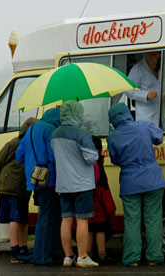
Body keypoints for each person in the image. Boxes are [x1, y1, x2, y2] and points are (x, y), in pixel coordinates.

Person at [107, 103, 165, 267]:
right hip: (152, 180)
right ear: (127, 113)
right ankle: (154, 257)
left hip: (130, 182)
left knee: (132, 221)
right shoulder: (144, 125)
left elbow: (115, 159)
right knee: (153, 220)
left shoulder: (113, 136)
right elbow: (159, 138)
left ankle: (132, 259)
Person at [51, 101, 99, 267]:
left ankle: (68, 256)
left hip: (63, 184)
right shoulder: (82, 134)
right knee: (82, 220)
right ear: (77, 113)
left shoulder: (55, 133)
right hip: (82, 184)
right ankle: (82, 256)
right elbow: (91, 157)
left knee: (66, 219)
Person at [16, 107, 63, 265]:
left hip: (34, 179)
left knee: (47, 214)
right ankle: (42, 256)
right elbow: (53, 154)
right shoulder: (51, 129)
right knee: (49, 216)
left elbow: (19, 155)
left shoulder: (30, 130)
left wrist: (32, 166)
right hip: (49, 179)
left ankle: (51, 252)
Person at [0, 117, 37, 263]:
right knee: (15, 218)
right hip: (11, 186)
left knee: (23, 218)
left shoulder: (28, 144)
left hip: (22, 188)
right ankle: (15, 250)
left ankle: (23, 248)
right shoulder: (15, 143)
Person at [87, 136, 116, 265]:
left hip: (88, 198)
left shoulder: (86, 161)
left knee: (88, 229)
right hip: (98, 201)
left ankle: (88, 254)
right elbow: (101, 183)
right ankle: (102, 255)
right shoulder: (98, 162)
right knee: (100, 229)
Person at [125, 51, 161, 125]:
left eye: (158, 54)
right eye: (153, 54)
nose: (156, 57)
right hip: (146, 116)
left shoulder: (164, 64)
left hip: (163, 114)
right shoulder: (137, 69)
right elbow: (128, 90)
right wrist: (146, 95)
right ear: (147, 55)